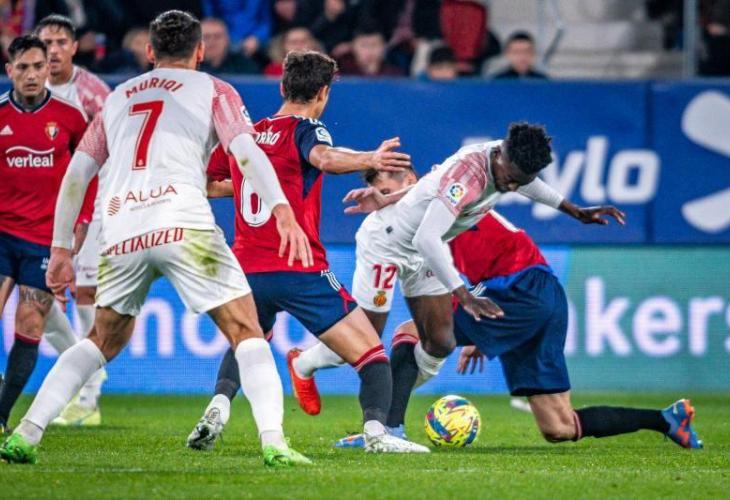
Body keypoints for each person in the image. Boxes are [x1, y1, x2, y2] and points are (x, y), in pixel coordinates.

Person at [0, 10, 313, 467]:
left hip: (121, 230)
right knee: (247, 331)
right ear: (200, 51)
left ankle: (27, 434)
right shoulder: (214, 89)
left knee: (100, 339)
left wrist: (61, 248)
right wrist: (281, 208)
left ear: (149, 52)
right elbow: (245, 152)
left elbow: (77, 173)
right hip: (184, 224)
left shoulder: (117, 98)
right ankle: (274, 442)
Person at [334, 168, 703, 450]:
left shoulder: (442, 191)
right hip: (539, 294)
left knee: (413, 332)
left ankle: (387, 431)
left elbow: (440, 198)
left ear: (413, 181)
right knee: (559, 426)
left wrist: (475, 314)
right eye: (382, 193)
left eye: (389, 190)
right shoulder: (420, 217)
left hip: (517, 288)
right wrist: (482, 328)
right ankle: (666, 420)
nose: (385, 200)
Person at [289, 123, 625, 433]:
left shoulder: (508, 156)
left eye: (518, 182)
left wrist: (573, 210)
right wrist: (463, 295)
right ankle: (307, 366)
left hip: (425, 250)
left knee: (441, 340)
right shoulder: (468, 175)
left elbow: (525, 184)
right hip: (388, 244)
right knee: (366, 338)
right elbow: (426, 237)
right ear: (501, 156)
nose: (511, 187)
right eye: (510, 179)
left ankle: (387, 422)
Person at [188, 50, 428, 454]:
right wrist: (370, 158)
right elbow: (325, 158)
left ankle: (218, 407)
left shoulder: (247, 134)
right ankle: (377, 434)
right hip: (299, 267)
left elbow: (208, 184)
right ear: (322, 93)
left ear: (283, 87)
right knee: (373, 356)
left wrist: (252, 185)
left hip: (246, 268)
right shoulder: (307, 129)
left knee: (248, 342)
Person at [0, 35, 89, 435]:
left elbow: (90, 169)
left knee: (31, 322)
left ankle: (2, 415)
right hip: (2, 233)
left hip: (44, 239)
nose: (32, 74)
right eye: (23, 67)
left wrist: (81, 220)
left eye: (39, 66)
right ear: (10, 71)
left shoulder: (70, 117)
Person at [35, 13, 112, 427]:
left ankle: (87, 396)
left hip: (94, 204)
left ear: (74, 47)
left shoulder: (93, 94)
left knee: (85, 291)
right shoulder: (29, 90)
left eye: (61, 42)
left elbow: (112, 150)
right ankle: (85, 371)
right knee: (38, 296)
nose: (53, 50)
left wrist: (90, 214)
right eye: (46, 42)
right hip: (42, 209)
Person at [337, 25, 404, 77]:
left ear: (383, 47)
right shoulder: (342, 74)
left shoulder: (395, 75)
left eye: (374, 44)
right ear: (353, 47)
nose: (370, 50)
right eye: (364, 45)